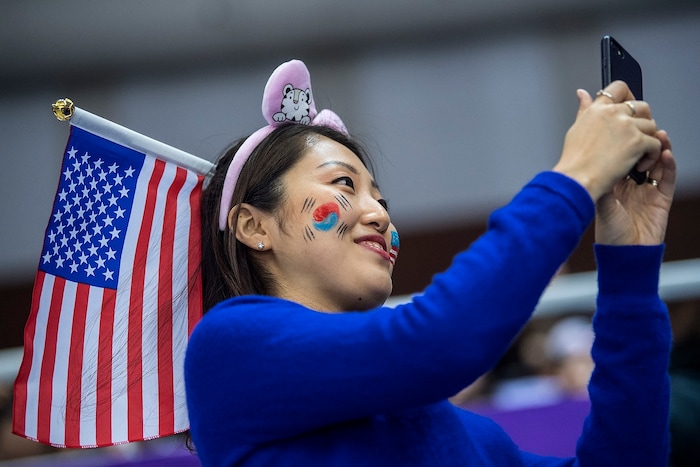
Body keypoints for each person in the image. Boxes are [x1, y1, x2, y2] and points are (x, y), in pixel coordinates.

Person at [184, 59, 676, 466]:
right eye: (342, 185)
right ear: (253, 226)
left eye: (383, 201)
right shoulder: (228, 347)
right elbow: (438, 341)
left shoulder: (467, 436)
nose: (378, 214)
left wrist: (628, 265)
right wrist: (576, 176)